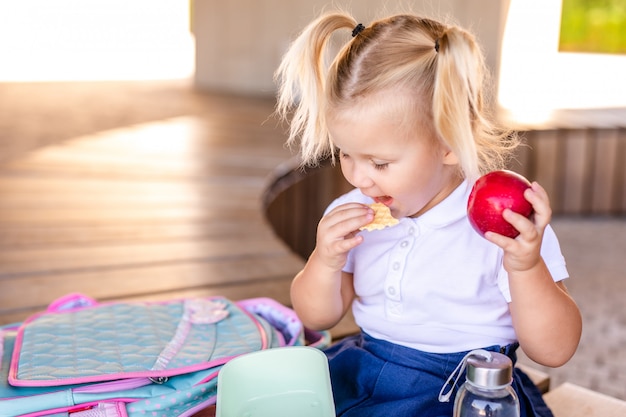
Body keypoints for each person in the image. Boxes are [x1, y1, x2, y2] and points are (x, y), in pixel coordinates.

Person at [274, 10, 582, 417]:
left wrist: (525, 267)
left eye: (380, 163)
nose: (360, 178)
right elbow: (317, 315)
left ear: (450, 141)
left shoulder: (504, 229)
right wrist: (324, 261)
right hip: (366, 368)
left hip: (461, 389)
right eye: (345, 154)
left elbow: (555, 349)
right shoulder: (352, 211)